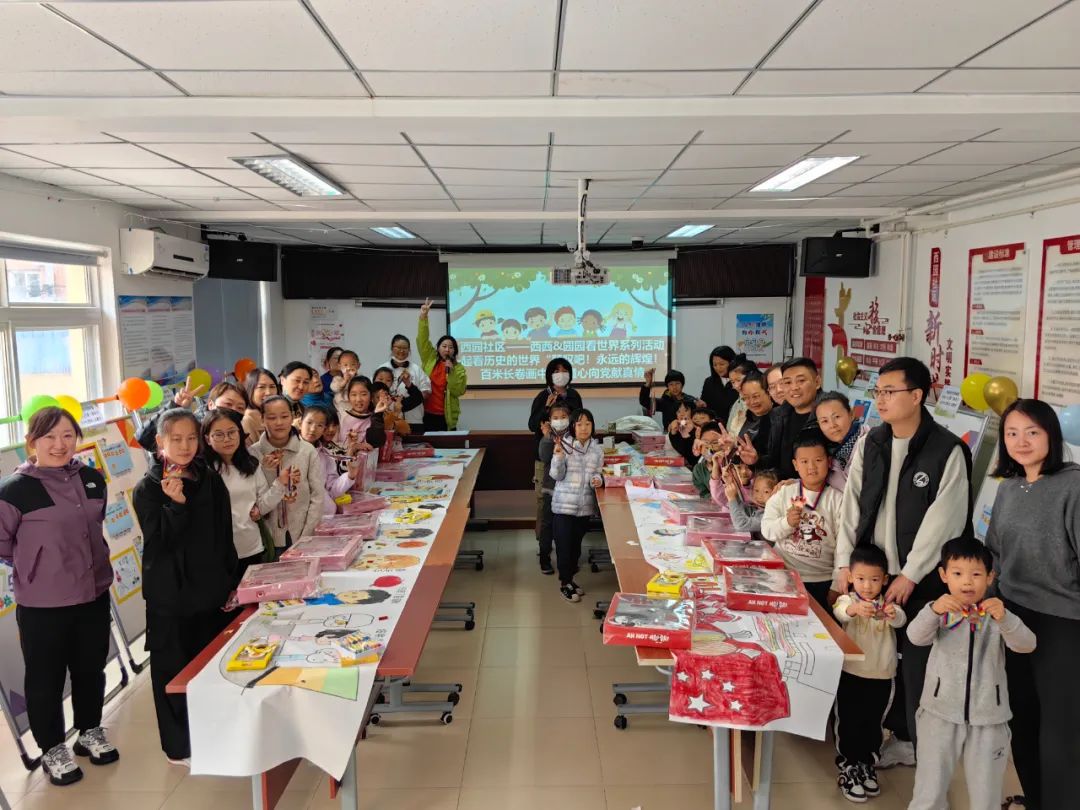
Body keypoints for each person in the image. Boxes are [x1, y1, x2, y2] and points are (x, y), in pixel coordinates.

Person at [833, 356, 972, 764]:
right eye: (877, 391)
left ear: (916, 396)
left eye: (889, 392)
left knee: (915, 661)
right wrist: (844, 564)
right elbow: (852, 506)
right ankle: (870, 735)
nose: (880, 400)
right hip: (871, 575)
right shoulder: (872, 442)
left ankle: (912, 741)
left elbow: (945, 520)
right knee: (871, 659)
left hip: (921, 578)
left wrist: (910, 574)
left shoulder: (947, 449)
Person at [0, 407, 118, 786]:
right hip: (43, 605)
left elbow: (95, 526)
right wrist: (36, 565)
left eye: (68, 435)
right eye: (49, 436)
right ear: (32, 442)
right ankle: (52, 748)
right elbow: (3, 544)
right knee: (45, 679)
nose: (59, 444)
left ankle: (89, 731)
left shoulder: (92, 478)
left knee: (90, 668)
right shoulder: (14, 490)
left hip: (93, 593)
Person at [984, 399, 1080, 810]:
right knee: (1021, 719)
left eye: (1032, 432)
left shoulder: (1073, 485)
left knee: (1061, 731)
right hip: (1012, 615)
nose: (1021, 441)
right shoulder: (1008, 487)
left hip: (1063, 621)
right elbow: (995, 552)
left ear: (1051, 436)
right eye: (1012, 433)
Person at [132, 409, 238, 766]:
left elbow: (224, 533)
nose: (184, 446)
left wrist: (230, 579)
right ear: (159, 442)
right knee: (173, 671)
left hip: (211, 591)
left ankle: (213, 735)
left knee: (210, 666)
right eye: (175, 439)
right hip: (172, 597)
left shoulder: (208, 477)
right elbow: (159, 544)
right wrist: (176, 506)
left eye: (191, 438)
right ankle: (178, 747)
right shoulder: (149, 488)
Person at [906, 537, 1036, 810]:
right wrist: (933, 610)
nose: (967, 582)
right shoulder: (939, 611)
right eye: (957, 573)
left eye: (976, 574)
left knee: (986, 796)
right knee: (929, 791)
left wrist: (1005, 619)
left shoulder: (997, 615)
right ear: (944, 575)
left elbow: (1027, 644)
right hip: (938, 714)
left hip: (989, 718)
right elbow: (915, 637)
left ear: (990, 577)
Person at [832, 544, 907, 803]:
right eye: (861, 579)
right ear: (851, 577)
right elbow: (840, 612)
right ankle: (848, 766)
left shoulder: (889, 604)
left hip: (882, 676)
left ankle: (867, 764)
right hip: (851, 673)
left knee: (873, 724)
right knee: (849, 721)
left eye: (874, 580)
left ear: (885, 580)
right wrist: (853, 610)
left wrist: (892, 614)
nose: (867, 586)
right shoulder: (849, 600)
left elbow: (901, 620)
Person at [761, 434, 844, 611]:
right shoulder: (783, 493)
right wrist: (787, 523)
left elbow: (843, 545)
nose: (811, 467)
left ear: (829, 462)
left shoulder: (838, 500)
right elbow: (767, 530)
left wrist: (836, 584)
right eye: (804, 461)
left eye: (818, 460)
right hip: (783, 573)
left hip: (821, 580)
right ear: (795, 465)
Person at [203, 409, 289, 575]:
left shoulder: (251, 465)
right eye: (219, 435)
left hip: (252, 547)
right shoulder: (204, 471)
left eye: (232, 432)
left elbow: (261, 505)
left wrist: (279, 484)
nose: (227, 439)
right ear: (207, 439)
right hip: (218, 552)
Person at [252, 395, 325, 556]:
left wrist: (307, 534)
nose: (279, 422)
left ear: (293, 417)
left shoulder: (307, 451)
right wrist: (267, 470)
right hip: (267, 538)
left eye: (284, 416)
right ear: (262, 420)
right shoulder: (253, 454)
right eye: (272, 418)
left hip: (302, 531)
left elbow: (318, 496)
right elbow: (256, 499)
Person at [550, 408, 604, 603]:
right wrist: (558, 457)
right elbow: (556, 475)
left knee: (575, 548)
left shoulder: (597, 450)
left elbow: (598, 472)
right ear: (573, 426)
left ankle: (570, 580)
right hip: (564, 506)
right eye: (579, 424)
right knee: (564, 547)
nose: (584, 428)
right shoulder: (565, 445)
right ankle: (565, 583)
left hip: (584, 507)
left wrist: (598, 479)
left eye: (588, 424)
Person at [529, 358, 584, 546]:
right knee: (544, 503)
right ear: (549, 375)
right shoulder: (542, 396)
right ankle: (543, 545)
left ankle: (565, 544)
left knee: (568, 502)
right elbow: (532, 425)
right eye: (556, 370)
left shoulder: (574, 395)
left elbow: (580, 421)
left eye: (564, 370)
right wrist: (546, 407)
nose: (561, 374)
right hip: (545, 457)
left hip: (570, 457)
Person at [740, 357, 822, 481]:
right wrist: (756, 460)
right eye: (787, 382)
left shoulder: (828, 414)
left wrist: (798, 484)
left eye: (800, 381)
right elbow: (774, 462)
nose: (794, 387)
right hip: (783, 488)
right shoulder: (778, 416)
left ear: (817, 382)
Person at [298, 405, 364, 517]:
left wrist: (350, 476)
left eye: (319, 425)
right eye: (309, 422)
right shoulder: (290, 452)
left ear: (323, 429)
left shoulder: (325, 455)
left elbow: (332, 490)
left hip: (326, 516)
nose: (313, 429)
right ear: (300, 423)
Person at [416, 298, 468, 431]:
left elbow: (459, 391)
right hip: (426, 414)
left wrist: (452, 373)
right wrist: (423, 317)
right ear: (438, 348)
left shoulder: (459, 369)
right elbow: (422, 340)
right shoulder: (429, 359)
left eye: (451, 347)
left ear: (455, 351)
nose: (447, 349)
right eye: (444, 346)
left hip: (447, 417)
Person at [537, 403, 571, 575]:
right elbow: (544, 457)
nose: (560, 421)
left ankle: (566, 560)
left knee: (566, 527)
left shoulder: (574, 435)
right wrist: (546, 437)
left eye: (563, 417)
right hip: (551, 488)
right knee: (547, 525)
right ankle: (544, 558)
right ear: (550, 420)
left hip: (569, 490)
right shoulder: (548, 437)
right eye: (556, 418)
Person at [378, 334, 431, 428]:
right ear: (392, 348)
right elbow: (376, 393)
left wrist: (407, 404)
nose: (401, 351)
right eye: (398, 347)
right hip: (389, 419)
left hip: (414, 419)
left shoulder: (416, 369)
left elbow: (426, 391)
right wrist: (394, 405)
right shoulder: (382, 369)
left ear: (409, 350)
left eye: (405, 348)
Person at [816, 391, 866, 489]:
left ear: (851, 414)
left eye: (837, 417)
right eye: (825, 421)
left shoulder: (870, 444)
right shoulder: (830, 453)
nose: (832, 425)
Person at [711, 466, 779, 536]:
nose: (760, 496)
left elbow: (741, 525)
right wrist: (730, 485)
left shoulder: (770, 515)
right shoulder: (757, 508)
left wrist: (732, 499)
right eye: (756, 490)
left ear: (776, 492)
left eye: (766, 492)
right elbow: (742, 510)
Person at [336, 377, 388, 451]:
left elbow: (377, 443)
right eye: (354, 395)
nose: (358, 399)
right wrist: (354, 446)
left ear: (371, 397)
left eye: (363, 394)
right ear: (348, 397)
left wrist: (378, 414)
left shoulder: (375, 418)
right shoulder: (341, 417)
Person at [700, 346, 744, 425]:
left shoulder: (741, 381)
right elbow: (705, 407)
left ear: (731, 362)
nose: (718, 368)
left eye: (722, 364)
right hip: (715, 426)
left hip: (737, 425)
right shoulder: (709, 382)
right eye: (715, 365)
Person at [737, 371, 775, 461]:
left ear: (769, 392)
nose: (752, 402)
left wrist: (756, 459)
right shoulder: (748, 416)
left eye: (756, 396)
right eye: (746, 398)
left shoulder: (779, 419)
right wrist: (732, 448)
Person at [243, 367, 281, 444]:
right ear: (250, 390)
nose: (268, 392)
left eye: (272, 387)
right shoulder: (247, 420)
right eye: (261, 387)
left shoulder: (278, 414)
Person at [690, 422, 727, 497]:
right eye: (705, 442)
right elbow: (704, 493)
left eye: (715, 442)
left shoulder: (730, 467)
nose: (709, 447)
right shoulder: (698, 469)